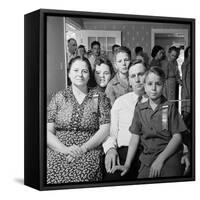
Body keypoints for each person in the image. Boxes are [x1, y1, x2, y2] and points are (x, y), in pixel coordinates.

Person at [113, 67, 187, 178]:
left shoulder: (170, 107)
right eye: (149, 84)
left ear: (163, 85)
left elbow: (177, 137)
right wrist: (127, 164)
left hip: (169, 155)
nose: (153, 88)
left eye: (158, 84)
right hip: (148, 158)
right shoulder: (139, 109)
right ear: (144, 86)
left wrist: (160, 160)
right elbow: (135, 137)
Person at [47, 56, 111, 184]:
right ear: (69, 73)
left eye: (84, 71)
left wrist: (83, 149)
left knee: (83, 179)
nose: (80, 75)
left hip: (88, 150)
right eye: (76, 70)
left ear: (89, 75)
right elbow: (47, 132)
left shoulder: (98, 97)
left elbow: (105, 129)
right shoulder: (59, 97)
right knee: (49, 175)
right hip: (58, 149)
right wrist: (65, 149)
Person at [103, 59, 148, 181]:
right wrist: (110, 149)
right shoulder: (120, 102)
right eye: (133, 76)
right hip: (124, 151)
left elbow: (171, 130)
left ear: (148, 75)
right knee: (112, 179)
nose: (137, 79)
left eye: (141, 74)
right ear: (129, 81)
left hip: (150, 151)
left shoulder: (159, 102)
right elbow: (111, 133)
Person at [181, 46, 191, 131]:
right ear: (187, 53)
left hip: (192, 89)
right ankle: (181, 129)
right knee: (186, 112)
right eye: (189, 52)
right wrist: (187, 91)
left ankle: (186, 129)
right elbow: (183, 78)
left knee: (191, 111)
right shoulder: (186, 63)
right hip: (186, 90)